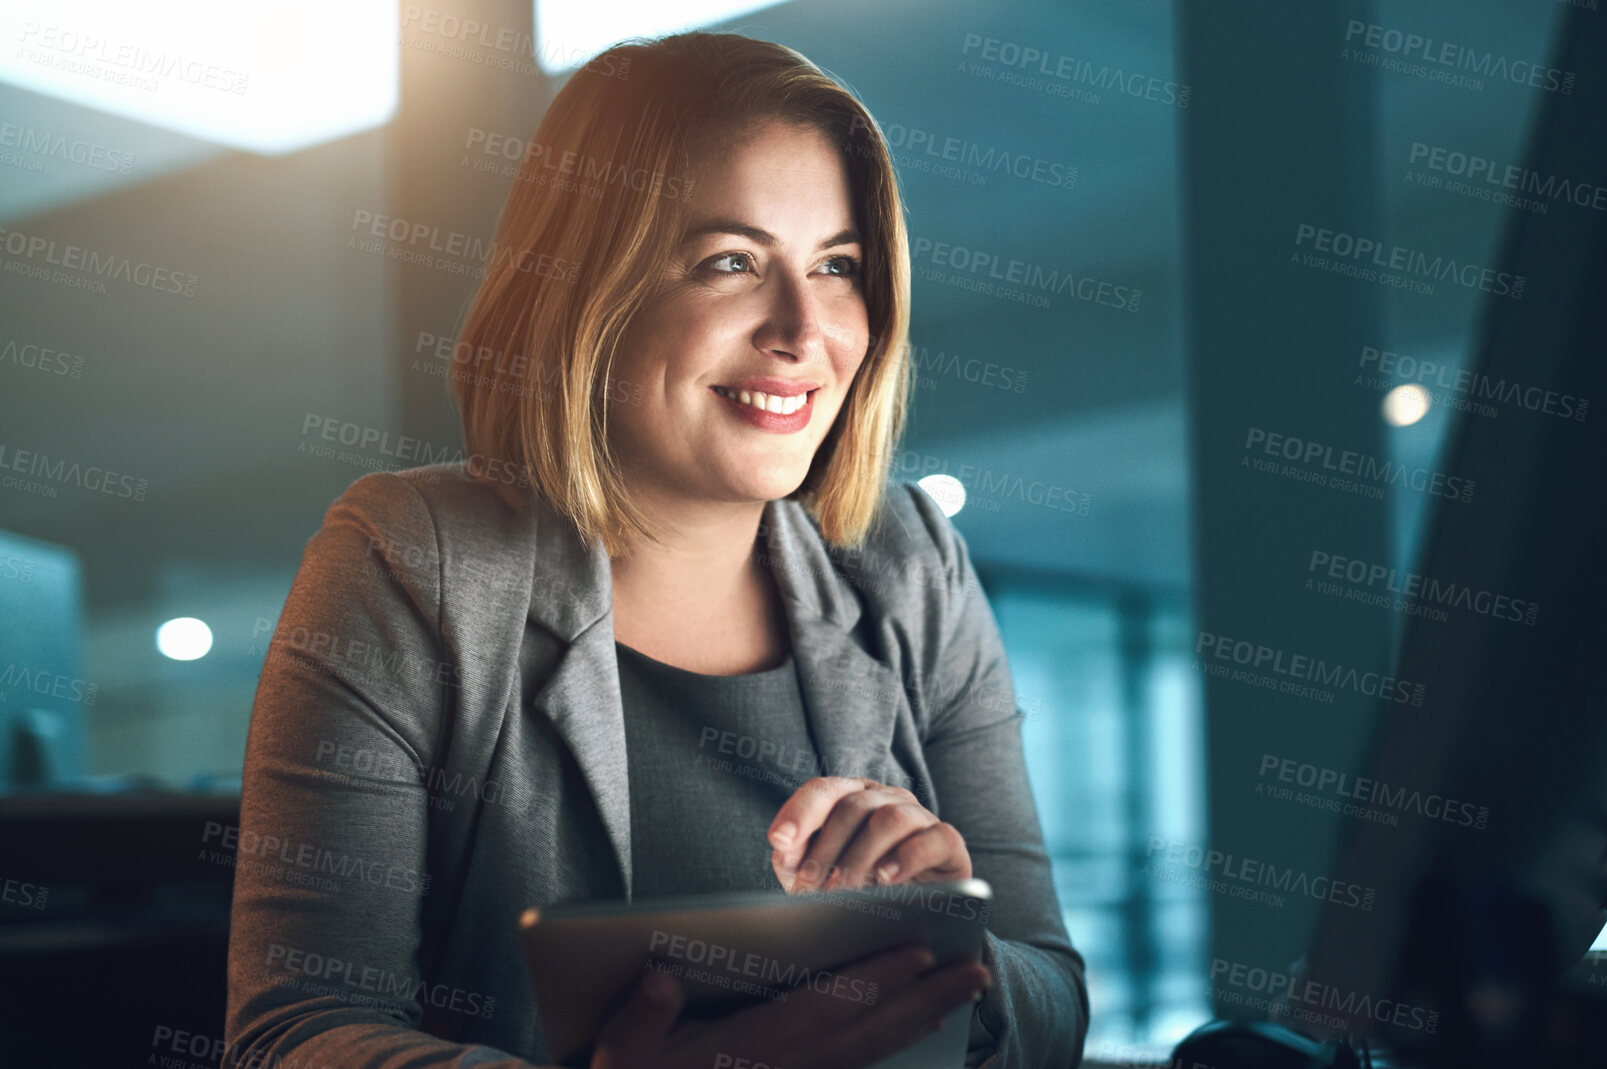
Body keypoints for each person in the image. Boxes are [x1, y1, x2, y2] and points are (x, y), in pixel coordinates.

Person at [222, 31, 1088, 1069]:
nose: (803, 330)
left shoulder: (909, 561)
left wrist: (959, 956)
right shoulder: (411, 564)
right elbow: (292, 1034)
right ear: (592, 288)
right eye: (730, 262)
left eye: (837, 267)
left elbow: (1054, 994)